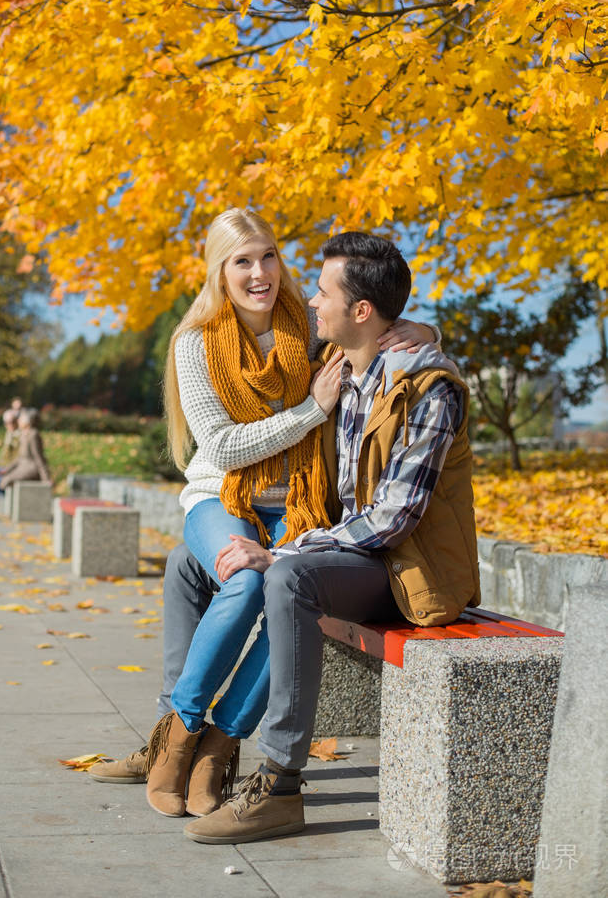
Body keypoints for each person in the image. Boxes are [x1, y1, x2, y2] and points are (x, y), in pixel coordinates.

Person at [87, 209, 436, 817]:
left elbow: (370, 326)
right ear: (219, 270)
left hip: (300, 501)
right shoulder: (194, 343)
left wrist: (426, 330)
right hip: (219, 495)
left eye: (268, 256)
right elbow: (219, 446)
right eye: (242, 260)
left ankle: (221, 742)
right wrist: (312, 409)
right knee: (245, 579)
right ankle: (180, 733)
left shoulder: (307, 326)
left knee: (291, 593)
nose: (259, 273)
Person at [183, 231, 480, 845]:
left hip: (411, 570)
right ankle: (180, 736)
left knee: (288, 576)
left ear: (362, 311)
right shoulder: (342, 369)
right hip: (357, 556)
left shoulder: (430, 390)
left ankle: (280, 783)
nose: (311, 303)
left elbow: (395, 516)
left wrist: (284, 548)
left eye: (322, 293)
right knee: (196, 564)